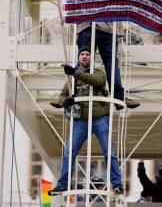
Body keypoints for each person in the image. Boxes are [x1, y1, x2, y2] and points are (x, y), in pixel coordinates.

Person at [48, 46, 124, 196]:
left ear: (91, 58)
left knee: (110, 152)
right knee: (69, 152)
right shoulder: (73, 79)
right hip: (81, 120)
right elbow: (61, 96)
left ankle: (117, 183)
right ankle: (62, 185)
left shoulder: (99, 73)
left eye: (87, 54)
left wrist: (75, 72)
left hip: (100, 117)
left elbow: (97, 81)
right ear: (79, 58)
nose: (84, 56)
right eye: (82, 54)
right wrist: (66, 102)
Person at [77, 22, 140, 110]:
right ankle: (118, 96)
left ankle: (72, 92)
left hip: (88, 24)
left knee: (83, 61)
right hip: (110, 27)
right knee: (111, 64)